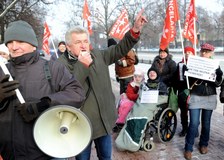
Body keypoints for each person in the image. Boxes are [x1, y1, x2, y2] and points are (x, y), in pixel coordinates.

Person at [57, 12, 147, 160]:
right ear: (68, 46)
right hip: (81, 125)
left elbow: (120, 49)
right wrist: (82, 65)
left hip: (104, 120)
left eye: (85, 41)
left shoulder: (98, 55)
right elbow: (69, 89)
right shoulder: (60, 65)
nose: (83, 45)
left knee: (106, 157)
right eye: (78, 42)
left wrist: (135, 30)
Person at [0, 20, 85, 160]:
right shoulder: (2, 71)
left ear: (33, 45)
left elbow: (77, 93)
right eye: (10, 42)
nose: (14, 47)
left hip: (45, 151)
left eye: (20, 41)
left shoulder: (52, 68)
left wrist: (44, 105)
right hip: (8, 153)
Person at [184, 43, 223, 160]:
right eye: (203, 51)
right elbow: (187, 81)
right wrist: (187, 71)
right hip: (196, 95)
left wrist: (219, 75)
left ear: (211, 53)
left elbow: (217, 83)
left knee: (206, 124)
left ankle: (203, 144)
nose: (205, 53)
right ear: (200, 52)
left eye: (207, 51)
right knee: (194, 123)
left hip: (209, 96)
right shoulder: (195, 62)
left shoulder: (216, 65)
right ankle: (188, 148)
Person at [113, 68, 145, 132]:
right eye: (135, 76)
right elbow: (129, 94)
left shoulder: (144, 85)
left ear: (142, 78)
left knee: (130, 105)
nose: (137, 78)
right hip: (131, 99)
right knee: (125, 105)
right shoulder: (131, 84)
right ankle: (120, 121)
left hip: (139, 101)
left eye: (139, 77)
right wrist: (137, 96)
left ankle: (131, 123)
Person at [172, 46, 195, 137]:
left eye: (190, 52)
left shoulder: (197, 64)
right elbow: (175, 78)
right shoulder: (180, 64)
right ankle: (184, 128)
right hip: (182, 91)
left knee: (193, 111)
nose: (188, 54)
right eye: (186, 52)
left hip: (193, 91)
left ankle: (194, 129)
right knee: (183, 111)